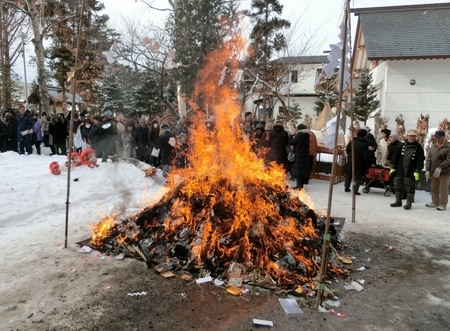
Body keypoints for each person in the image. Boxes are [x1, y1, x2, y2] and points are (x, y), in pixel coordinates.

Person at [389, 129, 425, 210]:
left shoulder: (419, 148)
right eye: (410, 136)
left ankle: (409, 203)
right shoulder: (401, 146)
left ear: (416, 137)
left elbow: (420, 160)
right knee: (397, 185)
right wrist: (393, 168)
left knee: (410, 186)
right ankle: (398, 201)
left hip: (410, 170)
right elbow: (396, 157)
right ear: (407, 136)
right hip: (399, 169)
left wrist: (417, 171)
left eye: (414, 136)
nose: (412, 138)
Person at [425, 130, 450, 211]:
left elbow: (448, 159)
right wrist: (427, 169)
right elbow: (428, 158)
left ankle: (443, 204)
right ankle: (435, 201)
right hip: (433, 170)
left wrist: (441, 167)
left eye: (439, 137)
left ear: (444, 137)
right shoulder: (433, 146)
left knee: (443, 188)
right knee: (434, 187)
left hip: (444, 171)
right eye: (436, 137)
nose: (437, 139)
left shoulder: (448, 147)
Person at [344, 129, 370, 195]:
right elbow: (366, 155)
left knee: (349, 174)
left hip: (350, 161)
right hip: (360, 163)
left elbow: (347, 150)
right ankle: (355, 190)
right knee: (358, 177)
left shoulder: (352, 141)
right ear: (364, 134)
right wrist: (367, 164)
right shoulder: (365, 143)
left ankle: (346, 187)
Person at [289, 124, 310, 190]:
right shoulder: (307, 135)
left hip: (299, 155)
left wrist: (291, 136)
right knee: (302, 171)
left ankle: (299, 186)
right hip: (305, 155)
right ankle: (301, 185)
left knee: (298, 171)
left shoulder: (299, 135)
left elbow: (292, 142)